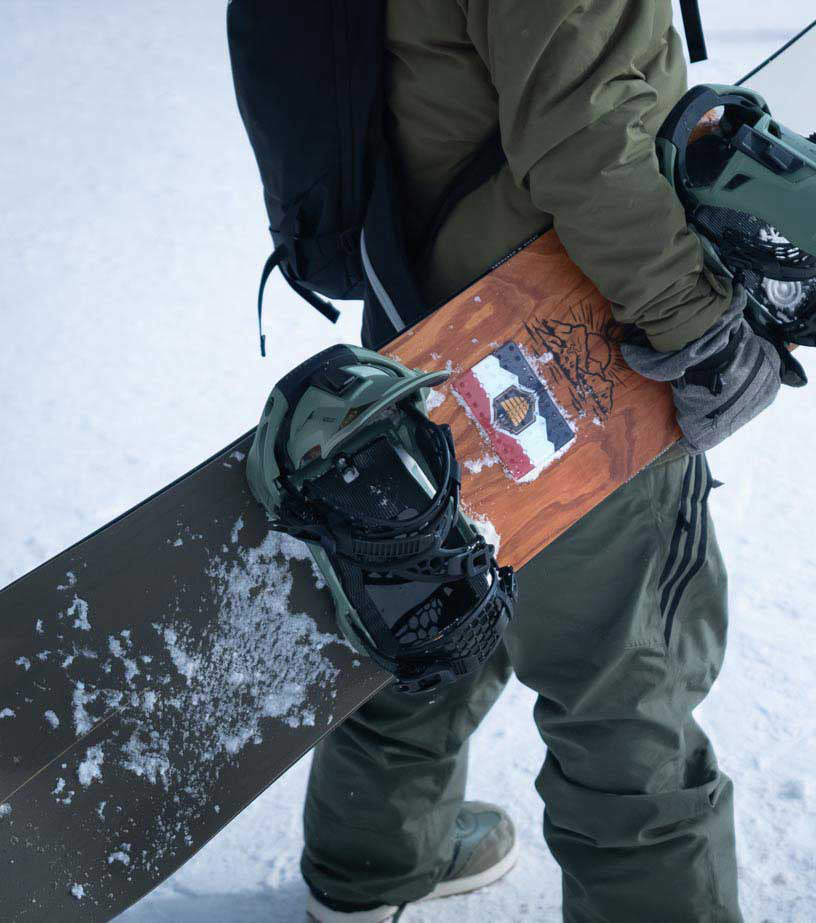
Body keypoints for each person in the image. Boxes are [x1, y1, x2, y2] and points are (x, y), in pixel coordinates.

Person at [301, 2, 782, 920]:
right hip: (568, 337)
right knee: (624, 678)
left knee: (420, 597)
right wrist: (700, 326)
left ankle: (371, 865)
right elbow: (587, 129)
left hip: (424, 302)